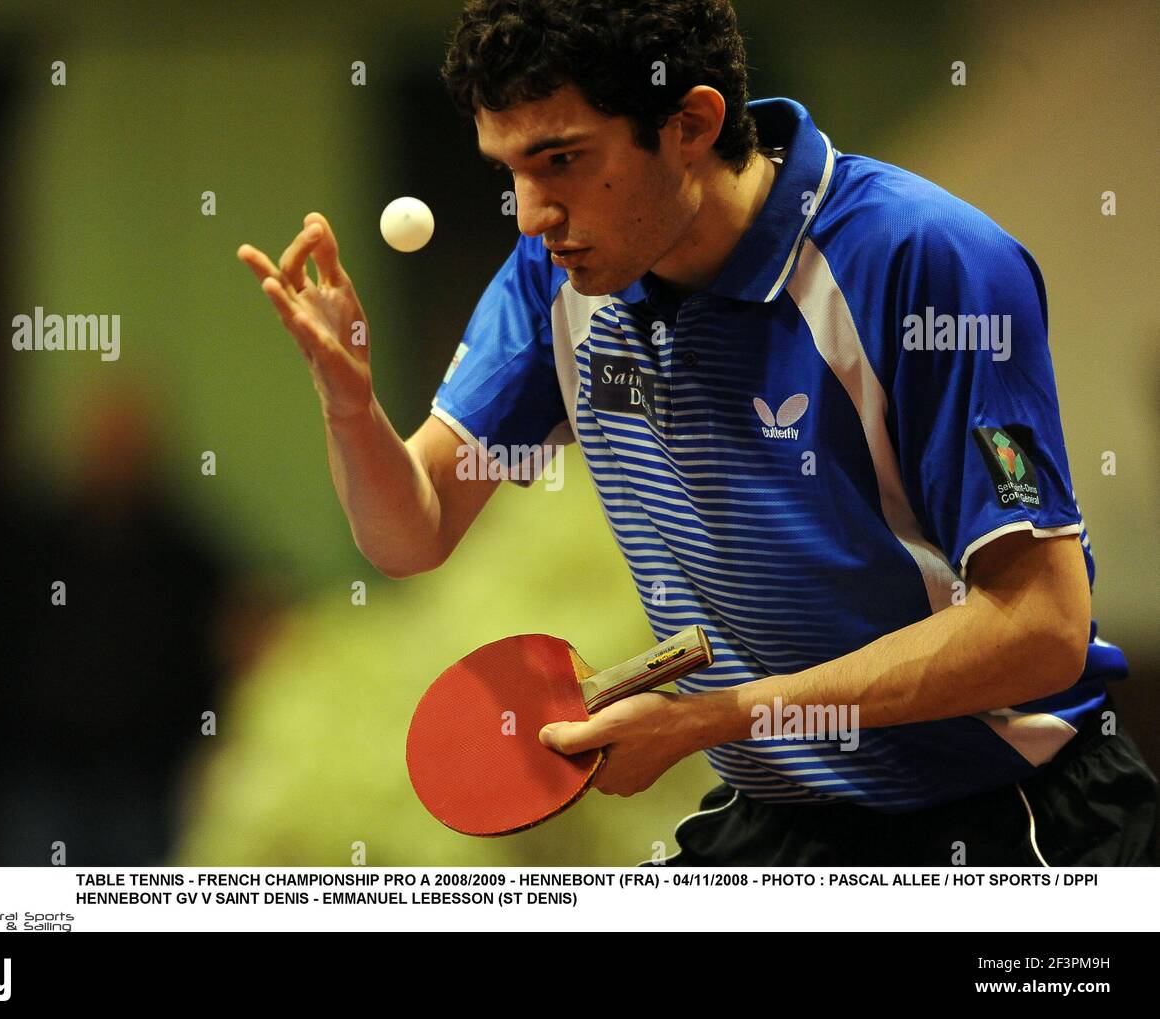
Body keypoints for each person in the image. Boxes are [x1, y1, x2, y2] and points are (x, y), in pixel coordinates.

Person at [237, 0, 1158, 866]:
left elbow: (1041, 627)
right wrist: (350, 407)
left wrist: (710, 720)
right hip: (780, 821)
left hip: (1006, 821)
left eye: (559, 160)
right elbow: (415, 528)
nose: (530, 213)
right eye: (507, 171)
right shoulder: (555, 279)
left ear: (692, 123)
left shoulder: (923, 260)